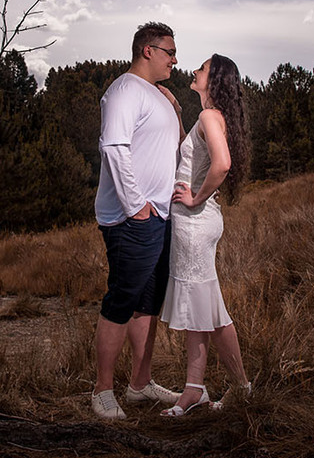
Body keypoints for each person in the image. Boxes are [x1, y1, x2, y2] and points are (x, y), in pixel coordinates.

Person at [91, 22, 185, 419]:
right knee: (122, 300)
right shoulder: (125, 90)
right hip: (133, 219)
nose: (175, 59)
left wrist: (177, 109)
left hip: (160, 216)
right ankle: (101, 391)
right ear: (148, 50)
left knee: (148, 303)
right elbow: (114, 147)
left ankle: (140, 385)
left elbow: (176, 146)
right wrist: (137, 207)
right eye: (170, 51)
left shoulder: (159, 95)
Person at [157, 53, 252, 416]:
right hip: (193, 223)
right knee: (203, 309)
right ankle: (194, 389)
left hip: (196, 223)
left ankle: (241, 386)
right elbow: (190, 153)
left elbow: (222, 163)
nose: (195, 70)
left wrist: (196, 198)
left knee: (211, 311)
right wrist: (177, 108)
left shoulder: (210, 116)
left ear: (213, 81)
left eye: (203, 68)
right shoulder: (207, 117)